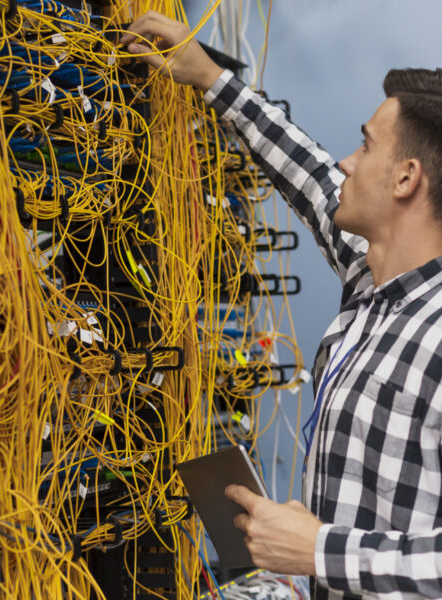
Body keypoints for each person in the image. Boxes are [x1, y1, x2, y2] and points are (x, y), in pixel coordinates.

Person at [121, 12, 442, 599]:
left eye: (365, 145)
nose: (347, 160)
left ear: (405, 179)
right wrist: (213, 81)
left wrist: (317, 547)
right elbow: (313, 178)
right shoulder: (373, 284)